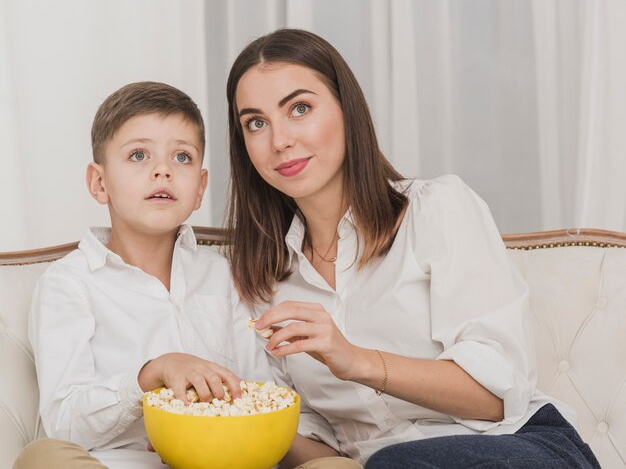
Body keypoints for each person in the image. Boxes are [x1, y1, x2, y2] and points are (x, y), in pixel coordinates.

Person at [224, 28, 601, 468]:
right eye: (256, 123)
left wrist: (355, 360)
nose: (280, 140)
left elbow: (499, 396)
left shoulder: (436, 210)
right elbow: (318, 445)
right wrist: (228, 429)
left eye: (300, 109)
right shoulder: (265, 278)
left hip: (515, 446)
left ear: (348, 110)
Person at [13, 82, 274, 469]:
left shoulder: (223, 275)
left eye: (182, 157)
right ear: (99, 183)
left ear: (200, 188)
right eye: (139, 155)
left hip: (224, 458)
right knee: (43, 457)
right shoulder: (69, 284)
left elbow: (261, 389)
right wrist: (149, 376)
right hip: (125, 464)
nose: (163, 170)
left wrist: (205, 426)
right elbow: (65, 424)